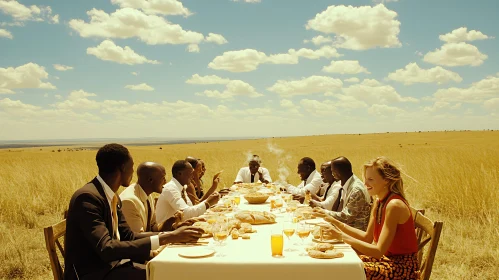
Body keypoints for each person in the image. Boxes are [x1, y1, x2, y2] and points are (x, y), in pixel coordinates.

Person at [64, 144, 204, 280]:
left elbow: (128, 236)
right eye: (131, 167)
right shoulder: (88, 198)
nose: (133, 172)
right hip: (94, 274)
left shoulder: (111, 196)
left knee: (170, 270)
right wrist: (166, 238)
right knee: (167, 274)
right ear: (123, 168)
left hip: (114, 267)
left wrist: (170, 234)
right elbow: (106, 248)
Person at [321, 156, 419, 279]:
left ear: (386, 181)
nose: (365, 184)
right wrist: (335, 222)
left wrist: (341, 236)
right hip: (387, 260)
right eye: (365, 179)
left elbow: (378, 251)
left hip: (402, 268)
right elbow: (367, 237)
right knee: (340, 262)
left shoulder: (394, 205)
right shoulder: (379, 202)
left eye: (371, 180)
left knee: (345, 271)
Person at [120, 162, 202, 233]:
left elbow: (153, 228)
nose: (165, 181)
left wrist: (173, 225)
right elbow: (136, 237)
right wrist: (173, 235)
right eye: (163, 178)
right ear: (150, 180)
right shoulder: (129, 201)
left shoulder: (147, 195)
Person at [313, 156, 371, 231]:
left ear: (338, 172)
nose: (332, 174)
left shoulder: (356, 190)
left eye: (332, 171)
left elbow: (346, 217)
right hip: (344, 229)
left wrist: (323, 212)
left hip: (355, 234)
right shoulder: (345, 185)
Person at [155, 160, 220, 225]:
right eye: (190, 173)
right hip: (166, 231)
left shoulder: (182, 188)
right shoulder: (171, 189)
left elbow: (190, 208)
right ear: (180, 174)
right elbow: (185, 214)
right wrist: (207, 203)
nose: (192, 176)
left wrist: (210, 201)